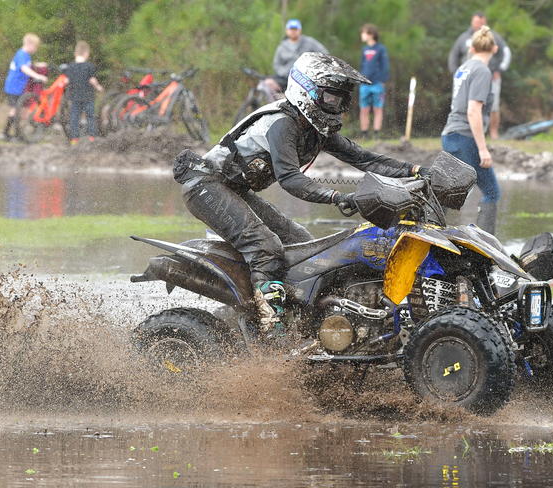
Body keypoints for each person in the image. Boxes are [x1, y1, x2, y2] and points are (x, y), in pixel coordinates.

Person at [173, 52, 421, 329]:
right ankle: (270, 325)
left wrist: (415, 171)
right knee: (264, 246)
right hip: (205, 186)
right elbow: (290, 178)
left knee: (302, 242)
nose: (336, 105)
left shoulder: (314, 128)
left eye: (340, 99)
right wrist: (336, 197)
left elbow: (364, 158)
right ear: (307, 91)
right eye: (330, 97)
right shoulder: (283, 124)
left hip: (233, 189)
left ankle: (305, 319)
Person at [441, 26, 500, 235]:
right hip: (465, 137)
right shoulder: (482, 71)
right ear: (494, 49)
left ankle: (426, 234)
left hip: (449, 135)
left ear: (472, 48)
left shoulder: (462, 68)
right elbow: (473, 110)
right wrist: (483, 149)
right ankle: (486, 246)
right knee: (491, 192)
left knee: (446, 193)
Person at [447, 12, 509, 139]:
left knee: (493, 105)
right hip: (467, 77)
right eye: (476, 22)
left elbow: (506, 53)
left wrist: (499, 70)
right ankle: (464, 132)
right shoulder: (464, 38)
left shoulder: (494, 37)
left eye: (481, 23)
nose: (479, 25)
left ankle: (492, 132)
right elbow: (453, 55)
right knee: (467, 105)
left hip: (490, 76)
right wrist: (455, 72)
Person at [2, 33, 48, 141]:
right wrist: (38, 76)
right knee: (15, 110)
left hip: (19, 87)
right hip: (14, 86)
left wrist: (39, 65)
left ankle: (19, 133)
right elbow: (24, 68)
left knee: (23, 110)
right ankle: (5, 133)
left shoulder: (24, 55)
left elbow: (28, 65)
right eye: (35, 46)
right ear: (29, 44)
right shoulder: (22, 54)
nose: (36, 49)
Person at [271, 19, 328, 91]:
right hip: (286, 79)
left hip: (307, 79)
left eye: (295, 29)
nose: (293, 31)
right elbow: (276, 64)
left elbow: (324, 53)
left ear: (300, 30)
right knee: (267, 84)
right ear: (287, 31)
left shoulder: (310, 42)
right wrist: (283, 73)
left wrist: (314, 67)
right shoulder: (282, 46)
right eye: (291, 29)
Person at [65, 41, 104, 144]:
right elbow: (92, 80)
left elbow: (67, 81)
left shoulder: (70, 66)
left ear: (75, 53)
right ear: (86, 53)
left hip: (74, 97)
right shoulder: (89, 66)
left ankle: (74, 139)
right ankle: (91, 137)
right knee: (90, 117)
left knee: (74, 117)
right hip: (88, 97)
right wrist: (98, 87)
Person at [358, 23, 389, 140]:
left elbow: (385, 66)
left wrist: (383, 80)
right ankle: (364, 134)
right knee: (364, 109)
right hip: (364, 84)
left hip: (377, 84)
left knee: (377, 108)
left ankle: (376, 134)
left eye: (364, 33)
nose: (362, 35)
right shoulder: (364, 49)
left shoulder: (381, 49)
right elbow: (362, 65)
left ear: (371, 34)